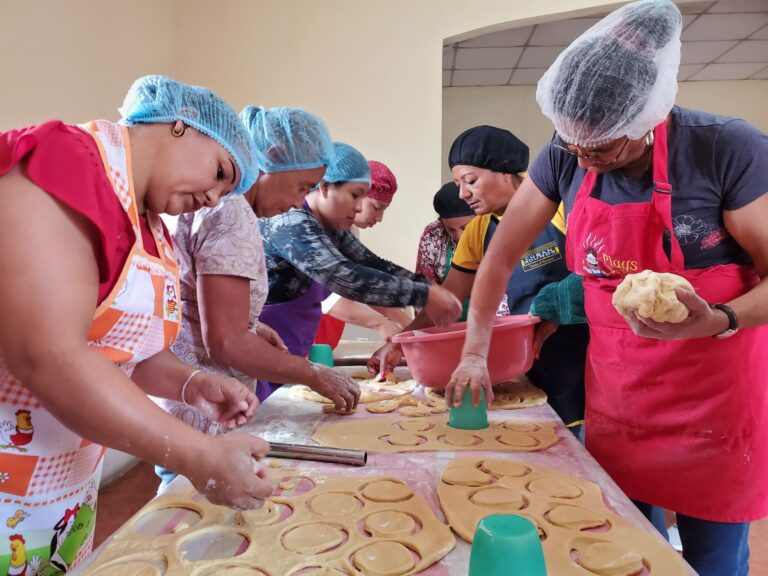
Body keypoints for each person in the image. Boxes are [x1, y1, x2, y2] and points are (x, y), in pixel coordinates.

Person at [447, 1, 768, 574]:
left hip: (715, 402)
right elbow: (497, 260)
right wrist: (474, 352)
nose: (585, 160)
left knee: (713, 561)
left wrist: (718, 318)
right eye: (573, 146)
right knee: (615, 549)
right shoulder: (568, 155)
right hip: (620, 398)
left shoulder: (725, 148)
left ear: (651, 118)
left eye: (604, 148)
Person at [0, 75, 272, 572]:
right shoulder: (64, 161)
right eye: (219, 172)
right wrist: (198, 456)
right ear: (178, 125)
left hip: (58, 490)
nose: (214, 198)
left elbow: (124, 353)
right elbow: (50, 355)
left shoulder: (149, 228)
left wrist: (192, 383)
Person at [154, 106, 361, 488]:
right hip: (205, 405)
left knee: (180, 496)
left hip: (184, 393)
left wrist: (252, 323)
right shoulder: (231, 213)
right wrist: (313, 374)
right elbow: (226, 343)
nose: (300, 201)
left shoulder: (217, 205)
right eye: (301, 187)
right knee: (191, 510)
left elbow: (189, 297)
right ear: (273, 159)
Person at [371, 126, 587, 432]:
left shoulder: (561, 206)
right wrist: (401, 342)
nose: (462, 194)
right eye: (458, 183)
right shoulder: (479, 229)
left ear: (506, 172)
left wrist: (557, 306)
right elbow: (450, 300)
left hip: (584, 351)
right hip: (528, 358)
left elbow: (596, 275)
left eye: (470, 181)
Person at [258, 142, 461, 395]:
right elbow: (343, 276)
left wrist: (428, 286)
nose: (357, 208)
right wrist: (424, 295)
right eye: (355, 195)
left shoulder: (331, 228)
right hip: (261, 351)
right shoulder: (292, 221)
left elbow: (371, 263)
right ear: (324, 187)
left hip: (289, 351)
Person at [315, 160, 412, 347]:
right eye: (376, 207)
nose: (380, 218)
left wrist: (405, 322)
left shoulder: (346, 232)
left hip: (326, 332)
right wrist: (381, 322)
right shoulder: (308, 227)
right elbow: (326, 296)